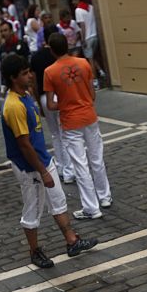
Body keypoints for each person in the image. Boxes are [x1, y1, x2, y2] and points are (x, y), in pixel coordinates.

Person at [1, 54, 98, 268]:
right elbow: (24, 144)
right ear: (12, 78)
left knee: (58, 200)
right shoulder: (13, 106)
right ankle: (35, 251)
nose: (30, 76)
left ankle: (72, 241)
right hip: (30, 166)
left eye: (29, 72)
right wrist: (41, 172)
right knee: (33, 209)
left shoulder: (25, 95)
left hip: (42, 158)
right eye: (25, 74)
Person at [44, 33, 112, 220]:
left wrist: (66, 102)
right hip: (89, 115)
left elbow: (50, 105)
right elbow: (92, 95)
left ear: (51, 49)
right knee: (96, 157)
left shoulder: (50, 72)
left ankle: (91, 207)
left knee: (80, 164)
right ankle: (104, 196)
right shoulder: (84, 63)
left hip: (70, 120)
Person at [31, 27, 74, 184]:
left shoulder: (36, 57)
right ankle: (69, 170)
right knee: (65, 133)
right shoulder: (59, 55)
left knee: (55, 134)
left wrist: (39, 103)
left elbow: (34, 83)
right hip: (59, 94)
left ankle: (62, 167)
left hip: (44, 96)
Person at [71, 0, 106, 86]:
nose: (72, 2)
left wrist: (83, 39)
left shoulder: (78, 10)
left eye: (73, 0)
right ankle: (101, 71)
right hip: (95, 35)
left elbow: (82, 25)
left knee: (89, 60)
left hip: (87, 38)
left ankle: (95, 80)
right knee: (92, 56)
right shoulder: (90, 7)